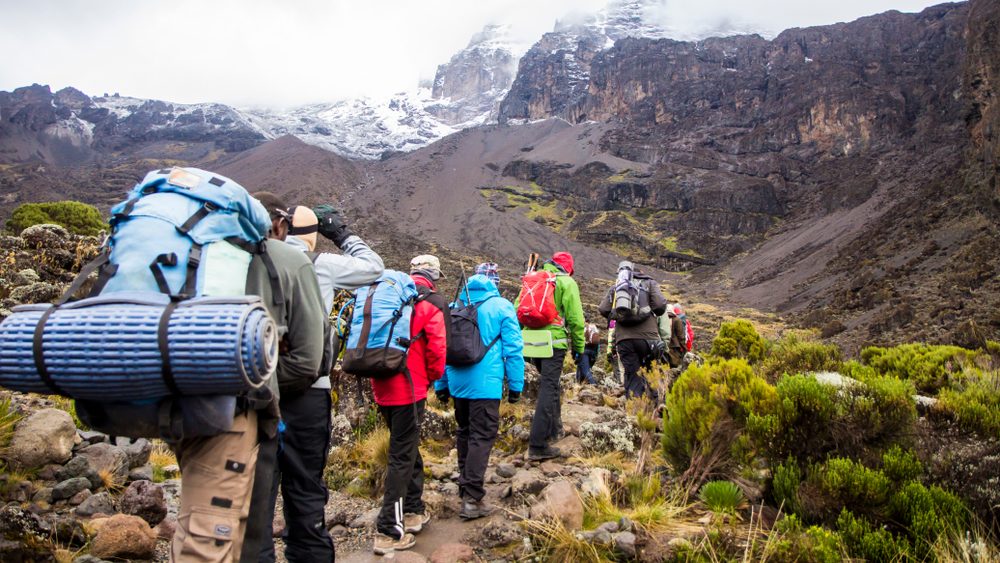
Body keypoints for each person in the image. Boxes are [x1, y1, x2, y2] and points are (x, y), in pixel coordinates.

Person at [252, 204, 384, 562]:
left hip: (252, 389)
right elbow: (375, 267)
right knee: (305, 490)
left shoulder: (246, 261)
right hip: (308, 390)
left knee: (254, 496)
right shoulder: (319, 265)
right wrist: (341, 234)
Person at [198, 192, 323, 563]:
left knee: (210, 521)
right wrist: (261, 374)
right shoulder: (289, 260)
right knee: (262, 519)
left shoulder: (201, 254)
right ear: (279, 225)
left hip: (196, 405)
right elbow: (307, 361)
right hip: (258, 411)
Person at [370, 255, 448, 555]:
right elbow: (438, 350)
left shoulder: (388, 298)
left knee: (406, 447)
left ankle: (413, 509)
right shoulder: (429, 303)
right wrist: (431, 379)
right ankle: (388, 530)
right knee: (402, 456)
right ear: (433, 277)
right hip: (409, 387)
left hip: (381, 384)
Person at [434, 273, 524, 520]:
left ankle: (465, 487)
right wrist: (516, 385)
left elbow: (440, 348)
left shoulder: (453, 307)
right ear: (492, 285)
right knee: (482, 436)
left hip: (457, 383)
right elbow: (514, 349)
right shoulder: (501, 306)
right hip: (486, 385)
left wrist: (440, 385)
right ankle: (472, 499)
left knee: (465, 432)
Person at [520, 251, 585, 461]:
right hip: (553, 343)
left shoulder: (533, 279)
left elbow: (517, 309)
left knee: (550, 385)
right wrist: (579, 348)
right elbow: (576, 320)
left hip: (529, 343)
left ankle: (555, 430)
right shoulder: (566, 283)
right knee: (548, 387)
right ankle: (537, 445)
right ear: (568, 268)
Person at [599, 262, 668, 400]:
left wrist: (616, 315)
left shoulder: (618, 287)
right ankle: (658, 406)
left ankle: (636, 412)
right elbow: (660, 306)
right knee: (651, 371)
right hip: (649, 339)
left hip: (625, 340)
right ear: (640, 272)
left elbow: (603, 309)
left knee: (632, 376)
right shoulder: (649, 283)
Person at [576, 319, 600, 384]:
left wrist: (577, 356)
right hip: (593, 353)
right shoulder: (594, 328)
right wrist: (595, 355)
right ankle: (579, 385)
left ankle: (594, 385)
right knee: (582, 369)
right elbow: (598, 343)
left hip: (584, 352)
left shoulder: (581, 328)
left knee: (585, 371)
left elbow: (578, 343)